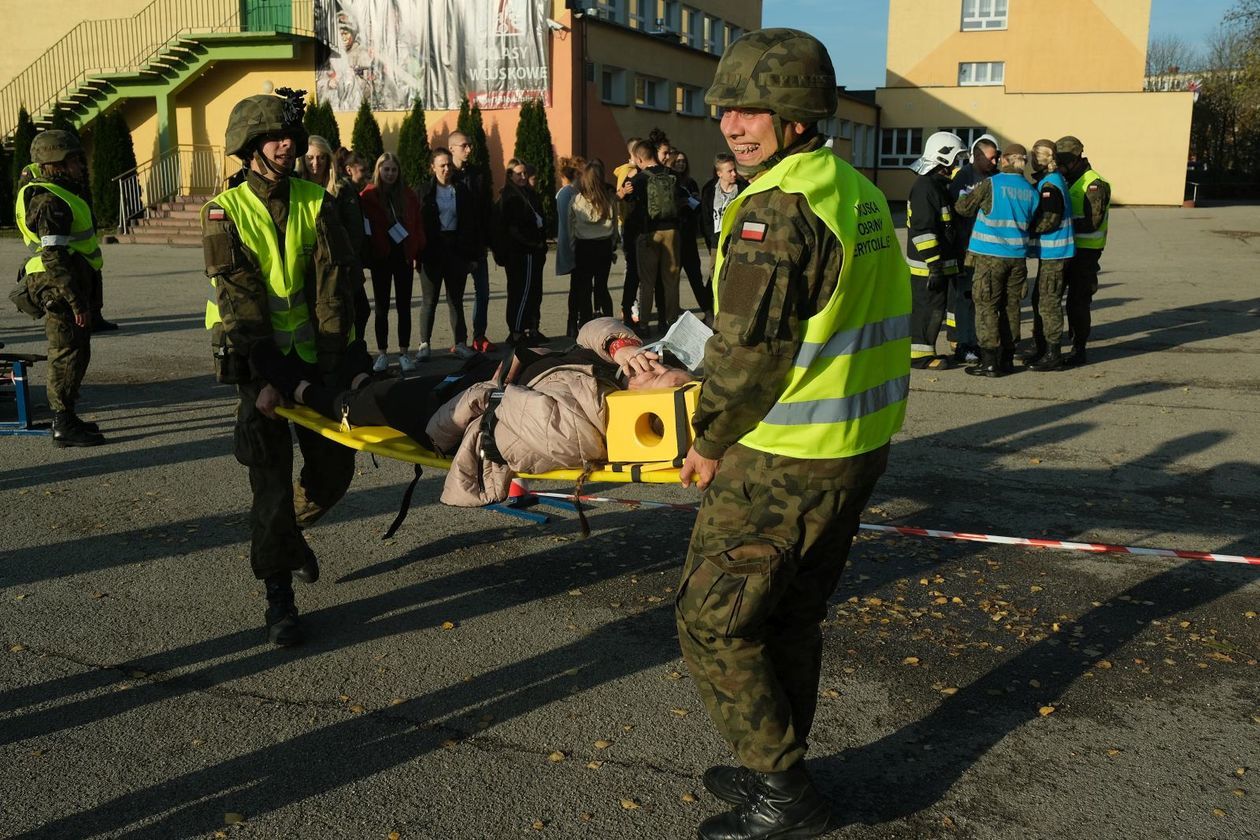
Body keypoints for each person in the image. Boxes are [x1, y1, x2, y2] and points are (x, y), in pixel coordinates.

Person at [677, 28, 911, 840]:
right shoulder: (851, 187)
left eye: (755, 110)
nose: (735, 125)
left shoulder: (778, 209)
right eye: (727, 109)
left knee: (712, 619)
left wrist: (706, 442)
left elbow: (749, 355)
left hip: (783, 455)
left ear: (799, 116)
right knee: (787, 616)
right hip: (853, 442)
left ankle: (782, 791)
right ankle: (770, 762)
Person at [200, 88, 362, 646]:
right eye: (275, 137)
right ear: (249, 148)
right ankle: (279, 602)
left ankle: (288, 539)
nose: (288, 144)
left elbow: (336, 293)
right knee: (269, 490)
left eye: (290, 135)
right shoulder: (224, 212)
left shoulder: (318, 202)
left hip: (317, 367)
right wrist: (267, 381)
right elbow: (240, 307)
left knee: (334, 475)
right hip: (258, 369)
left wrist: (341, 369)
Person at [272, 317, 690, 508]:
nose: (656, 369)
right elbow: (590, 328)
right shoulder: (617, 373)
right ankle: (360, 379)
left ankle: (298, 388)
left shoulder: (586, 427)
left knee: (360, 407)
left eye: (662, 377)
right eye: (665, 365)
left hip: (451, 413)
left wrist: (453, 418)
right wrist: (623, 344)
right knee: (377, 387)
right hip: (478, 377)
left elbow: (501, 414)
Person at [11, 130, 107, 446]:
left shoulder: (60, 192)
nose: (82, 164)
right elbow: (54, 256)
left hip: (69, 285)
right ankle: (62, 423)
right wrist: (76, 301)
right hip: (58, 289)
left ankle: (68, 415)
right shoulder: (50, 201)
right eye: (75, 159)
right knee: (66, 353)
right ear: (58, 163)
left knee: (78, 352)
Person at [953, 143, 1039, 377]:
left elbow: (963, 208)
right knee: (1011, 307)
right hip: (1017, 260)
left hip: (990, 259)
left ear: (1005, 161)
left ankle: (989, 361)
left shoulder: (992, 184)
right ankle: (1007, 358)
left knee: (987, 307)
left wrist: (964, 193)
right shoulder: (1031, 191)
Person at [905, 130, 965, 369]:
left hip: (940, 264)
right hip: (928, 267)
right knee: (926, 310)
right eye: (955, 159)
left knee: (938, 308)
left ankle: (949, 343)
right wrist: (934, 265)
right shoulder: (925, 188)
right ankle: (920, 356)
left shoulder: (937, 186)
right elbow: (923, 231)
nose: (956, 166)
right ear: (944, 157)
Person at [361, 151, 424, 371]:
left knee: (404, 306)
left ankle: (405, 352)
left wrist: (416, 251)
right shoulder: (368, 196)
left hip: (403, 257)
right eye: (386, 169)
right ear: (378, 170)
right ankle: (382, 353)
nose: (389, 173)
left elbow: (417, 225)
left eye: (393, 170)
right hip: (381, 257)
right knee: (381, 307)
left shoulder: (408, 195)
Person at [417, 148, 478, 360]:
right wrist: (418, 253)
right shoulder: (423, 191)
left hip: (456, 250)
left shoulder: (461, 190)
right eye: (441, 165)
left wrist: (470, 256)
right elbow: (418, 224)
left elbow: (470, 223)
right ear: (432, 167)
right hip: (432, 250)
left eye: (449, 165)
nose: (446, 169)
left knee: (455, 300)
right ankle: (424, 344)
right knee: (429, 299)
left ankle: (460, 343)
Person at [1020, 139, 1076, 371]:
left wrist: (1026, 228)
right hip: (1052, 252)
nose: (1031, 161)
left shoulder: (1050, 185)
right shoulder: (1050, 181)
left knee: (1048, 302)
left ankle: (1053, 354)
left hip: (1056, 252)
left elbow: (1050, 220)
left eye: (1034, 156)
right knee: (1039, 299)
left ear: (1040, 158)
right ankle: (1042, 347)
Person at [1056, 135, 1111, 367]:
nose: (1060, 165)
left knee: (1077, 302)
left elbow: (1093, 222)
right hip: (1066, 249)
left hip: (1086, 252)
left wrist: (1060, 224)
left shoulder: (1093, 184)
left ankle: (1079, 349)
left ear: (1077, 158)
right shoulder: (1067, 180)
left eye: (1064, 160)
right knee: (1054, 298)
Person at [624, 139, 687, 335]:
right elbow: (683, 199)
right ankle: (670, 322)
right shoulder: (673, 175)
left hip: (648, 234)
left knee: (647, 282)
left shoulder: (639, 179)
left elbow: (627, 202)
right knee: (671, 281)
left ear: (641, 159)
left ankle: (643, 325)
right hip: (672, 232)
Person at [946, 134, 998, 363]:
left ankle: (981, 341)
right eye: (991, 158)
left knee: (985, 298)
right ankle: (964, 343)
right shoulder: (962, 179)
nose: (995, 162)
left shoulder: (996, 178)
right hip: (966, 250)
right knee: (965, 298)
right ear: (977, 156)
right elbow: (958, 212)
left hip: (990, 251)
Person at [447, 130, 496, 352]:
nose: (469, 149)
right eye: (464, 145)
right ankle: (460, 340)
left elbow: (487, 211)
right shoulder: (446, 175)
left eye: (470, 145)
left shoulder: (478, 174)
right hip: (455, 246)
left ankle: (479, 335)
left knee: (483, 292)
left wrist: (487, 242)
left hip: (477, 243)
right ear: (452, 149)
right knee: (456, 296)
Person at [499, 161, 548, 344]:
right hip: (522, 251)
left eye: (525, 173)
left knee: (534, 291)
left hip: (534, 250)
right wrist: (532, 243)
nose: (523, 177)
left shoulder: (529, 193)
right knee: (521, 291)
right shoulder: (510, 196)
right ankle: (517, 331)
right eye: (518, 174)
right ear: (510, 175)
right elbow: (512, 228)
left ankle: (532, 327)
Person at [568, 161, 621, 324]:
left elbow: (570, 226)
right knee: (602, 287)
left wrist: (572, 247)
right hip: (603, 246)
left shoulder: (577, 200)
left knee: (584, 289)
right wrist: (612, 245)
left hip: (583, 247)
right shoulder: (609, 200)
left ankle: (584, 323)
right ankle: (609, 322)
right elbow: (614, 226)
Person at [698, 153, 748, 322]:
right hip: (716, 241)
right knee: (715, 277)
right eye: (729, 171)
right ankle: (713, 312)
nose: (734, 174)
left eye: (735, 170)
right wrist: (711, 239)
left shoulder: (743, 188)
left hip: (736, 241)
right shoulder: (709, 189)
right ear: (719, 173)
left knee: (735, 277)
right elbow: (705, 217)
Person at [332, 148, 371, 341]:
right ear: (349, 170)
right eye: (362, 170)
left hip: (354, 262)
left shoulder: (353, 192)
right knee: (358, 311)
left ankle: (356, 351)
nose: (367, 175)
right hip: (346, 264)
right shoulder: (341, 191)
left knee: (360, 311)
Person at [671, 150, 707, 321]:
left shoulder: (690, 182)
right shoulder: (669, 181)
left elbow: (699, 208)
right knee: (672, 276)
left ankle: (707, 310)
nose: (681, 164)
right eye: (677, 161)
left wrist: (694, 199)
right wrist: (679, 204)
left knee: (695, 275)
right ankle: (672, 312)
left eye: (683, 161)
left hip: (689, 234)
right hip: (674, 233)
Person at [614, 138, 643, 326]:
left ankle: (632, 305)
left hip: (630, 224)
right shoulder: (628, 172)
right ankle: (630, 307)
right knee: (632, 268)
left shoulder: (636, 172)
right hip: (628, 225)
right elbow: (619, 197)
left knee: (635, 268)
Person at [555, 160, 582, 334]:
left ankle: (574, 322)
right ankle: (572, 322)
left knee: (579, 286)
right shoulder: (567, 193)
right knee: (577, 286)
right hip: (574, 245)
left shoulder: (573, 192)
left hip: (576, 244)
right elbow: (568, 223)